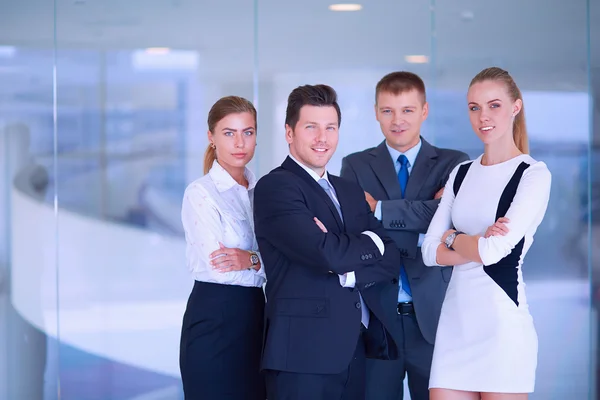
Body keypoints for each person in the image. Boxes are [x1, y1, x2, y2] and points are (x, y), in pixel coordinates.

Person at [253, 84, 401, 400]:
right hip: (302, 356)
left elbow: (390, 257)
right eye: (311, 127)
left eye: (330, 128)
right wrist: (364, 243)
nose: (323, 138)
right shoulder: (277, 188)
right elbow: (326, 255)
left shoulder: (348, 189)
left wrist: (348, 260)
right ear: (289, 133)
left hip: (353, 350)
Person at [421, 67, 552, 399]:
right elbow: (428, 252)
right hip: (455, 325)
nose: (483, 116)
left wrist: (452, 236)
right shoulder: (462, 173)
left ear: (515, 108)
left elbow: (492, 252)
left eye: (494, 105)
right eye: (474, 107)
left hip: (502, 328)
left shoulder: (533, 175)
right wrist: (474, 241)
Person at [340, 71, 469, 400]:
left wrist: (380, 209)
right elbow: (356, 231)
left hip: (434, 321)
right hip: (377, 319)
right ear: (376, 112)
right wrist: (427, 214)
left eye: (407, 110)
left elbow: (451, 221)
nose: (397, 120)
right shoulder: (354, 165)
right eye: (388, 111)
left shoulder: (454, 164)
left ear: (424, 111)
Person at [179, 96, 266, 400]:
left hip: (258, 317)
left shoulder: (264, 192)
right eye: (229, 133)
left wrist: (251, 260)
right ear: (211, 138)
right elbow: (221, 267)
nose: (240, 142)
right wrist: (261, 262)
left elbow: (285, 258)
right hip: (215, 318)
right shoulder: (201, 193)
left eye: (248, 132)